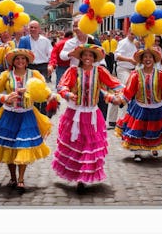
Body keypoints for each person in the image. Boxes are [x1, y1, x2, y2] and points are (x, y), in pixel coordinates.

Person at [0, 49, 54, 193]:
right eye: (17, 59)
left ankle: (21, 179)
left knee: (23, 146)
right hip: (9, 115)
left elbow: (44, 91)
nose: (20, 62)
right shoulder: (6, 75)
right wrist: (3, 98)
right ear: (13, 61)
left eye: (23, 59)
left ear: (27, 61)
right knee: (9, 147)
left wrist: (49, 96)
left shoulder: (34, 75)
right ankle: (12, 177)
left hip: (27, 115)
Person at [52, 44, 123, 193]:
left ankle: (84, 177)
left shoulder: (100, 71)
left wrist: (120, 95)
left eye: (91, 56)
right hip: (74, 113)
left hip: (92, 114)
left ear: (94, 58)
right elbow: (62, 86)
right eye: (85, 55)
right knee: (76, 145)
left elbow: (114, 84)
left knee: (89, 146)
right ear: (81, 57)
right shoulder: (73, 71)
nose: (87, 58)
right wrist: (68, 94)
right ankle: (78, 177)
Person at [114, 45, 162, 162]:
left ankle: (154, 147)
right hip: (140, 107)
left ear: (154, 59)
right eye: (145, 57)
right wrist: (121, 99)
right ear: (141, 60)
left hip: (156, 108)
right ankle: (137, 152)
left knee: (155, 130)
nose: (147, 59)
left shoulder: (161, 74)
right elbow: (129, 91)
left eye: (150, 57)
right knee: (138, 130)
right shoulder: (135, 75)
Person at [59, 15, 109, 120]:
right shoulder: (70, 42)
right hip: (77, 77)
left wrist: (103, 67)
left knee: (100, 99)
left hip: (93, 75)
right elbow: (62, 56)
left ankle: (100, 124)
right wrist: (70, 53)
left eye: (78, 26)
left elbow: (101, 55)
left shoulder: (93, 40)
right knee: (77, 102)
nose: (76, 29)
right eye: (74, 26)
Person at [19, 20, 53, 114]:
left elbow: (51, 54)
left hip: (42, 67)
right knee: (29, 89)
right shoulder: (24, 40)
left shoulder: (45, 41)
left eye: (35, 27)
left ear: (39, 29)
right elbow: (20, 54)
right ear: (28, 29)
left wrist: (51, 66)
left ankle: (42, 113)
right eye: (31, 27)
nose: (33, 29)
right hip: (29, 67)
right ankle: (31, 111)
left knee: (42, 90)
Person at [107, 28, 137, 129]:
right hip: (123, 69)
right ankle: (124, 121)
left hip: (132, 70)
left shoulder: (135, 44)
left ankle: (112, 120)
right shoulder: (123, 42)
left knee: (121, 93)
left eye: (135, 34)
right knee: (126, 92)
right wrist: (129, 60)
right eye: (132, 34)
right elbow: (117, 56)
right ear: (128, 32)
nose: (133, 36)